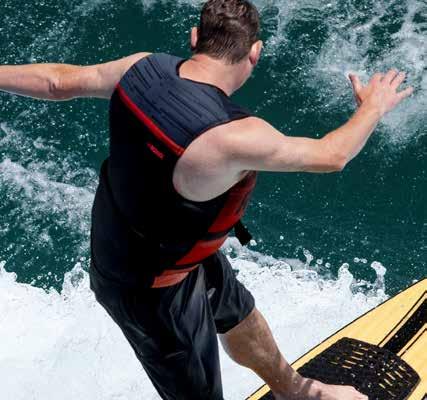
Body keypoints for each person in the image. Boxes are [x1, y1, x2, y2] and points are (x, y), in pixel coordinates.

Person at [0, 0, 413, 399]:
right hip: (149, 293)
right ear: (255, 52)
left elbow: (57, 82)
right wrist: (373, 107)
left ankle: (294, 392)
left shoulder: (142, 68)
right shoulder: (233, 137)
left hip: (152, 248)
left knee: (239, 313)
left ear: (195, 37)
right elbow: (333, 154)